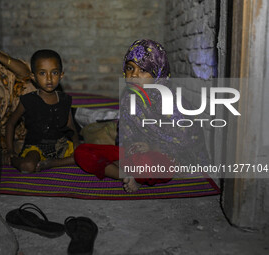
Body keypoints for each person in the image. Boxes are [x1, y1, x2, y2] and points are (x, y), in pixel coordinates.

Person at [74, 39, 210, 192]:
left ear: (158, 73)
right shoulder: (128, 98)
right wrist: (133, 146)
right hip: (137, 154)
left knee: (147, 164)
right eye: (130, 68)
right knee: (82, 151)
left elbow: (184, 144)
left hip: (172, 159)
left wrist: (153, 147)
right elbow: (126, 135)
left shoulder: (171, 102)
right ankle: (124, 175)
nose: (134, 75)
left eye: (143, 70)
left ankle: (132, 173)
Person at [5, 49, 79, 173]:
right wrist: (10, 151)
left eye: (54, 73)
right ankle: (13, 161)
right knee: (27, 166)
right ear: (33, 76)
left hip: (60, 145)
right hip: (36, 147)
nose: (49, 78)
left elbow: (70, 126)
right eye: (42, 73)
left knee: (85, 156)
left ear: (61, 75)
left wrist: (77, 143)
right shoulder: (28, 100)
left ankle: (51, 163)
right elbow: (11, 123)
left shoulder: (64, 100)